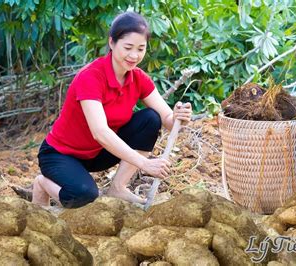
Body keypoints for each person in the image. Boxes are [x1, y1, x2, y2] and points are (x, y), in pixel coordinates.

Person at [32, 11, 192, 208]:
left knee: (150, 118)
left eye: (141, 49)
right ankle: (42, 183)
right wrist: (144, 164)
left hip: (98, 154)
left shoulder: (138, 78)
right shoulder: (91, 77)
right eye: (128, 47)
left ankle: (118, 187)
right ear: (112, 43)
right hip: (61, 155)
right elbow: (100, 132)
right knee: (84, 195)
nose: (134, 55)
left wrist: (177, 116)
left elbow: (166, 117)